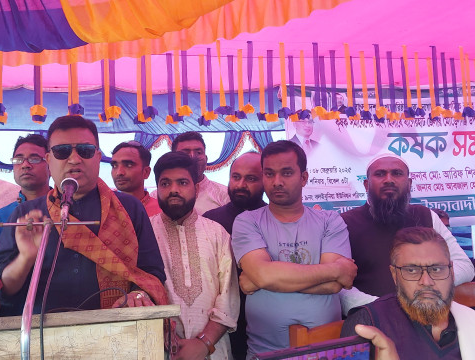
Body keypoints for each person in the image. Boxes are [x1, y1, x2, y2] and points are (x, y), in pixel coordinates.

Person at [0, 115, 167, 316]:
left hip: (117, 329)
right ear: (49, 159)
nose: (74, 159)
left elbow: (152, 272)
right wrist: (25, 258)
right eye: (62, 151)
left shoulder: (129, 208)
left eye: (85, 150)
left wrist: (139, 294)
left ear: (98, 157)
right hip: (43, 335)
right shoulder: (27, 214)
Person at [231, 140, 357, 357]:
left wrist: (266, 281)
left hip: (325, 351)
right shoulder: (247, 222)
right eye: (269, 174)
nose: (277, 181)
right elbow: (263, 275)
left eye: (286, 173)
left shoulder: (330, 221)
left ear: (304, 178)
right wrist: (336, 271)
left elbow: (335, 287)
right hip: (265, 353)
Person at [341, 227, 475, 359]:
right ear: (395, 275)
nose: (426, 281)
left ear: (452, 272)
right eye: (412, 270)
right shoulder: (367, 323)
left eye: (436, 269)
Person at [340, 154, 474, 297]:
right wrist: (377, 308)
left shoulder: (426, 216)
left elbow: (465, 267)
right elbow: (339, 283)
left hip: (427, 311)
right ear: (366, 185)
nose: (389, 180)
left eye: (397, 173)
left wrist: (425, 288)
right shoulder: (345, 223)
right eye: (380, 174)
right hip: (368, 316)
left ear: (409, 184)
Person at [150, 151, 239, 359]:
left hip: (213, 350)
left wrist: (204, 343)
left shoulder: (217, 233)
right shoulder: (145, 232)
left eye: (182, 182)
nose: (173, 190)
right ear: (157, 189)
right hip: (159, 349)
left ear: (196, 188)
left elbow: (229, 296)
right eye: (165, 183)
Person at [203, 151, 266, 360]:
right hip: (220, 327)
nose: (240, 185)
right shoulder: (210, 221)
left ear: (265, 180)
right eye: (236, 177)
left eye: (251, 178)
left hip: (266, 325)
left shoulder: (275, 219)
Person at [0, 134, 51, 238]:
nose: (25, 165)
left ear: (51, 166)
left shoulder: (65, 213)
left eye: (34, 159)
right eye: (18, 160)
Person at [152, 131, 229, 214]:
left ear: (206, 159)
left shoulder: (224, 195)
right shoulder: (155, 197)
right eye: (185, 152)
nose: (192, 157)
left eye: (198, 152)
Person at [110, 140, 161, 217]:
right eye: (114, 166)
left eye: (129, 165)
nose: (119, 172)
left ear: (146, 172)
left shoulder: (161, 213)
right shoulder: (104, 209)